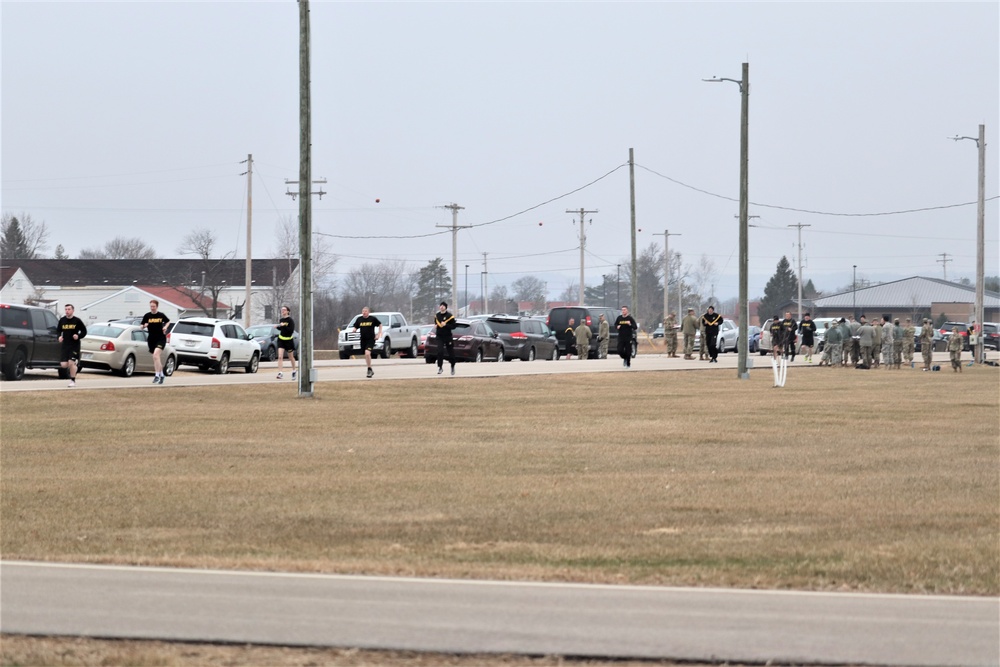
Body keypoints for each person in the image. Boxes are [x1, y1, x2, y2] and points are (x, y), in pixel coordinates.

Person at [140, 299, 170, 385]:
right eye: (151, 306)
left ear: (157, 306)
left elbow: (168, 321)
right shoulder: (147, 316)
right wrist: (144, 326)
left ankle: (157, 375)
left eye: (154, 306)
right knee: (156, 358)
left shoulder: (161, 315)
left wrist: (165, 327)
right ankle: (162, 374)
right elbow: (141, 326)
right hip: (151, 339)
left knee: (156, 355)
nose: (152, 308)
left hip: (160, 338)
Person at [58, 303, 87, 387]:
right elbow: (58, 330)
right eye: (66, 309)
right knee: (63, 365)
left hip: (74, 346)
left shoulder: (77, 321)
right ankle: (74, 365)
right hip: (65, 345)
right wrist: (59, 336)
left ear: (73, 311)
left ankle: (72, 381)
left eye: (69, 309)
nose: (67, 311)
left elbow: (84, 331)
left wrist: (78, 336)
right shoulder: (62, 320)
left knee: (71, 363)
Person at [353, 306, 382, 378]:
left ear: (368, 312)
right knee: (366, 355)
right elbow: (355, 326)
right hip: (363, 340)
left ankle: (369, 369)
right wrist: (354, 329)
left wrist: (379, 334)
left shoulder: (372, 319)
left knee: (367, 353)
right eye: (363, 311)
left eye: (365, 311)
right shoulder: (359, 319)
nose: (364, 312)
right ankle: (370, 369)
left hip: (371, 339)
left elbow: (380, 325)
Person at [434, 301, 457, 375]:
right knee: (440, 351)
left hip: (448, 337)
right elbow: (436, 323)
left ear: (446, 307)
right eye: (441, 305)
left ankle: (452, 366)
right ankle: (440, 367)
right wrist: (436, 326)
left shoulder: (450, 316)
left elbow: (454, 326)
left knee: (451, 353)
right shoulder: (437, 316)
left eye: (443, 306)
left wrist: (446, 325)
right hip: (440, 336)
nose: (442, 307)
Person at [275, 305, 297, 380]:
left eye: (284, 310)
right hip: (281, 340)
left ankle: (294, 371)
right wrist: (278, 327)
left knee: (290, 357)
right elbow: (282, 329)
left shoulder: (290, 320)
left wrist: (284, 325)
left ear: (288, 311)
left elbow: (290, 330)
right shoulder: (281, 320)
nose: (283, 311)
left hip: (289, 341)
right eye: (282, 310)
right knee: (280, 356)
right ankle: (280, 373)